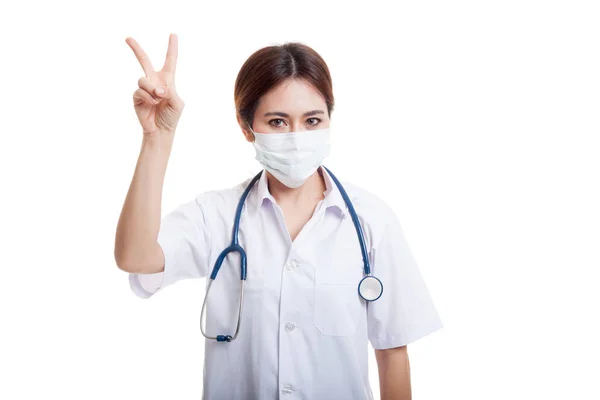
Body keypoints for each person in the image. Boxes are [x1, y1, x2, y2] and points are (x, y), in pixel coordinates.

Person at [114, 33, 443, 400]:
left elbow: (392, 349)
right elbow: (135, 258)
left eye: (313, 120)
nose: (297, 136)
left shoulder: (372, 221)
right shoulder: (216, 216)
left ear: (329, 120)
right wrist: (156, 139)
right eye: (277, 122)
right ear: (247, 128)